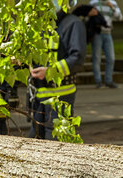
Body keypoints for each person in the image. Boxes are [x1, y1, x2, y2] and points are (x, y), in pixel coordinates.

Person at [28, 0, 86, 140]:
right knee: (35, 141)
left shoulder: (73, 23)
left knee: (56, 143)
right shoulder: (41, 23)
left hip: (61, 97)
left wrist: (50, 72)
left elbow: (77, 58)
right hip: (39, 97)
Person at [89, 0, 122, 89]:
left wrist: (112, 7)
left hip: (108, 33)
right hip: (97, 33)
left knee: (111, 58)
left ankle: (108, 80)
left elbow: (119, 17)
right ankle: (98, 81)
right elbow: (87, 17)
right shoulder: (93, 3)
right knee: (96, 57)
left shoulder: (113, 3)